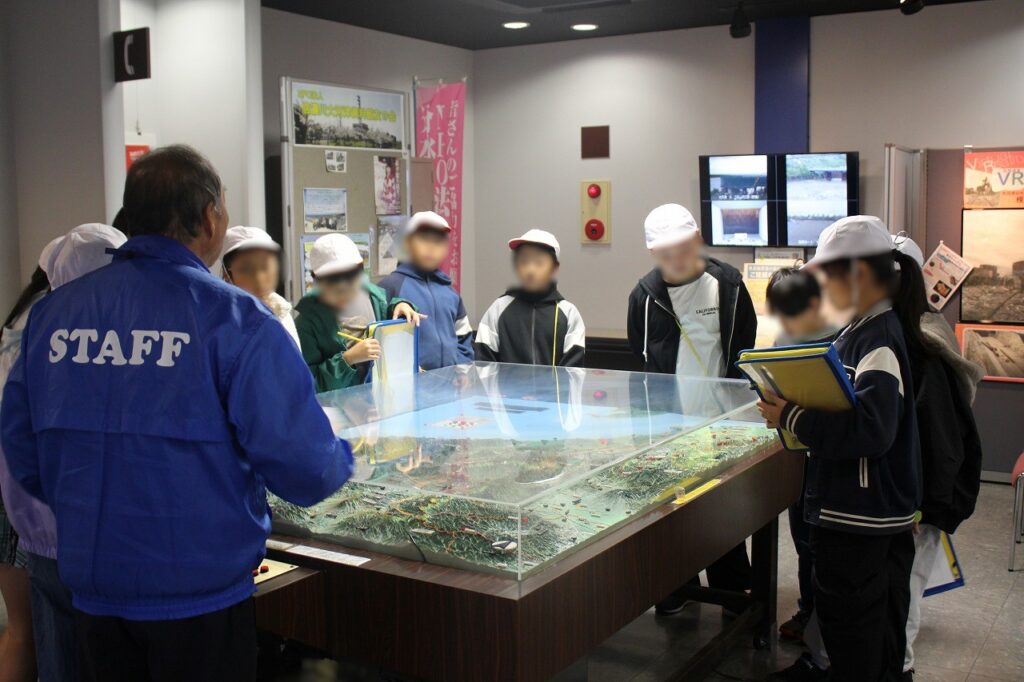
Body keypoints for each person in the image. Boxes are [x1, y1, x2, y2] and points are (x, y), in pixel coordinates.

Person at [1, 144, 354, 682]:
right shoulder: (236, 320)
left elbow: (23, 454)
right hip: (200, 595)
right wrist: (348, 457)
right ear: (209, 217)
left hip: (94, 588)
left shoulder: (52, 316)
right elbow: (305, 469)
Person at [757, 216, 922, 682]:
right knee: (859, 638)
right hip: (852, 513)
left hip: (862, 521)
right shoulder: (860, 330)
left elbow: (872, 430)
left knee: (860, 642)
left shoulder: (878, 338)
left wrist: (792, 416)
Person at [0, 224, 127, 682]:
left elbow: (16, 442)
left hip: (42, 533)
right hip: (95, 537)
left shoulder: (36, 330)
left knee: (51, 650)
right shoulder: (114, 340)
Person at [627, 203, 756, 614]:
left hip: (720, 423)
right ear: (652, 253)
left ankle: (732, 588)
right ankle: (676, 587)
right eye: (666, 253)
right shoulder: (644, 296)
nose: (677, 259)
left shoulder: (727, 285)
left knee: (723, 512)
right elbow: (640, 364)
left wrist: (739, 414)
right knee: (670, 511)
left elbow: (744, 349)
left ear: (698, 239)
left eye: (683, 248)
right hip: (667, 428)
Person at [892, 235, 983, 677]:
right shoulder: (918, 334)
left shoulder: (922, 348)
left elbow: (938, 440)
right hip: (913, 495)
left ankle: (901, 669)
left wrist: (922, 506)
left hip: (918, 500)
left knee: (907, 588)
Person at [763, 268, 839, 682]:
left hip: (826, 454)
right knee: (802, 539)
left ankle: (821, 633)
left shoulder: (837, 337)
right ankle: (807, 610)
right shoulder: (782, 340)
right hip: (796, 451)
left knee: (821, 544)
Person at [295, 233, 419, 392]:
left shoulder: (374, 298)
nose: (343, 285)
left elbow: (388, 314)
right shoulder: (307, 323)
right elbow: (309, 384)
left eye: (350, 275)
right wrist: (348, 359)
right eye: (332, 279)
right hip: (341, 404)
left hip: (383, 396)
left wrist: (400, 305)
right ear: (316, 279)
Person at [475, 229, 585, 367]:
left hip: (553, 383)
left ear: (554, 268)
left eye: (539, 263)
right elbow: (483, 362)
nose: (530, 270)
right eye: (524, 261)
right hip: (506, 383)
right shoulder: (498, 309)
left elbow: (573, 369)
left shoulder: (569, 313)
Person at [378, 211, 474, 369]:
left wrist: (461, 371)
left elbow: (463, 337)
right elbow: (376, 340)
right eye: (423, 239)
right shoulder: (389, 286)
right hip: (409, 383)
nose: (431, 247)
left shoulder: (451, 293)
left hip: (449, 381)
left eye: (438, 242)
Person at [221, 226, 299, 347]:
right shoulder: (220, 318)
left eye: (265, 266)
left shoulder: (281, 311)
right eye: (247, 269)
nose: (259, 277)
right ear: (227, 275)